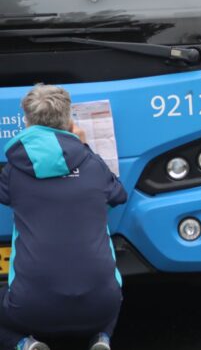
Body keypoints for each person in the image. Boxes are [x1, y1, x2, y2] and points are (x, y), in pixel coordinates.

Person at [0, 85, 126, 350]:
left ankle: (24, 344)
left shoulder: (13, 171)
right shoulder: (93, 164)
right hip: (100, 306)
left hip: (31, 308)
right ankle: (102, 337)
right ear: (69, 121)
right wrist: (84, 147)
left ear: (26, 121)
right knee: (111, 293)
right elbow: (119, 195)